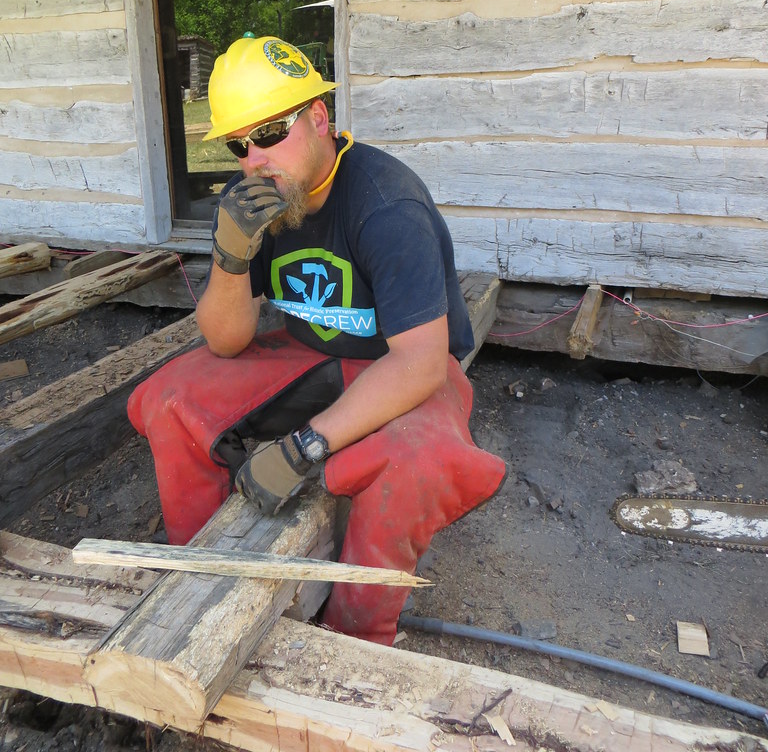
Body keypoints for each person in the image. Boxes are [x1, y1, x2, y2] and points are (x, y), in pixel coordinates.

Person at [128, 34, 506, 645]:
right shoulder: (252, 199)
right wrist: (229, 256)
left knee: (417, 463)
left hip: (399, 366)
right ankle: (201, 587)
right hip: (307, 354)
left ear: (319, 118)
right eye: (237, 144)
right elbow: (225, 341)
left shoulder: (386, 204)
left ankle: (351, 639)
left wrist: (305, 447)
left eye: (271, 133)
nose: (254, 160)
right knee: (170, 400)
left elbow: (420, 363)